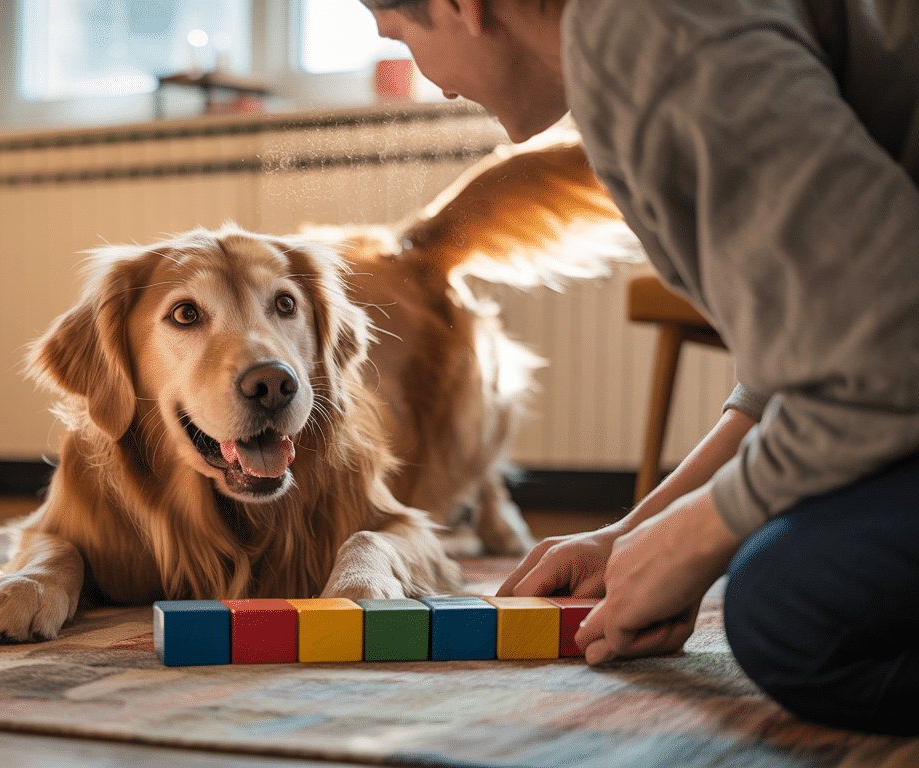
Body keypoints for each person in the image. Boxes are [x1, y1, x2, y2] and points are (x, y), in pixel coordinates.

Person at [360, 0, 919, 736]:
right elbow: (798, 362)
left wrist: (702, 534)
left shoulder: (642, 34)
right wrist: (636, 532)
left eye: (402, 36)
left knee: (786, 609)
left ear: (460, 6)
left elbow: (880, 361)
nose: (433, 85)